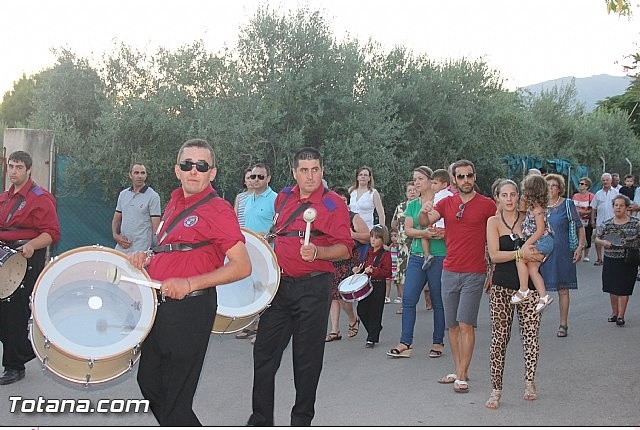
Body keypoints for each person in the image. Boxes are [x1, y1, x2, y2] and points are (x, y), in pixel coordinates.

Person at [127, 139, 251, 426]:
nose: (193, 170)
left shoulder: (219, 210)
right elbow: (171, 250)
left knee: (175, 396)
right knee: (150, 382)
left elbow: (242, 266)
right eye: (187, 165)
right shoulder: (172, 203)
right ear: (177, 170)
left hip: (190, 308)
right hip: (159, 305)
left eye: (201, 165)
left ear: (212, 173)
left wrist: (190, 283)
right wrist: (145, 258)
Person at [248, 147, 352, 427]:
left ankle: (301, 421)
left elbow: (345, 249)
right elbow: (279, 231)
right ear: (294, 172)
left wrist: (318, 252)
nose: (310, 176)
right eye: (304, 170)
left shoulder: (332, 204)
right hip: (280, 288)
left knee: (306, 362)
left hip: (313, 289)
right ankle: (260, 420)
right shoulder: (283, 197)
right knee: (264, 354)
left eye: (315, 169)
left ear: (322, 170)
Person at [418, 159, 496, 393]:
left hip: (475, 271)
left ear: (474, 176)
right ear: (453, 179)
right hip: (449, 269)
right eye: (460, 176)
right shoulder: (446, 203)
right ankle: (458, 368)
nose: (465, 180)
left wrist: (493, 269)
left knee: (465, 324)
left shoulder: (487, 205)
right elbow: (425, 222)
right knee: (451, 325)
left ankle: (462, 375)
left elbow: (499, 231)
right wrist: (424, 213)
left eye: (468, 175)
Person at [0, 150, 60, 385]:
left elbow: (52, 234)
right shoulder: (4, 197)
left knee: (14, 313)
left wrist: (32, 246)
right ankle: (24, 350)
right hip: (5, 256)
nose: (13, 171)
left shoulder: (40, 197)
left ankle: (14, 366)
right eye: (11, 166)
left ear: (29, 170)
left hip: (26, 258)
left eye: (18, 167)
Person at [485, 179, 545, 408]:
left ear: (519, 196)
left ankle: (530, 383)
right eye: (505, 195)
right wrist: (520, 254)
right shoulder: (493, 222)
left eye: (513, 194)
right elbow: (494, 255)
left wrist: (536, 256)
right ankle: (496, 390)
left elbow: (542, 249)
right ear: (497, 198)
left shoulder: (530, 217)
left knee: (531, 336)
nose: (509, 199)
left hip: (528, 286)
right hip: (501, 287)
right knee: (499, 339)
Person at [386, 166, 446, 359]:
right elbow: (409, 230)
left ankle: (438, 342)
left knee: (438, 300)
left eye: (420, 179)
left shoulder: (442, 201)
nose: (417, 183)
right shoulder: (413, 205)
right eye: (414, 179)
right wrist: (425, 234)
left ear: (430, 180)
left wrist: (437, 233)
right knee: (409, 299)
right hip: (417, 256)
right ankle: (405, 342)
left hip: (439, 256)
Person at [236, 163, 277, 342]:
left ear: (268, 178)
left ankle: (263, 330)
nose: (256, 180)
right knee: (252, 288)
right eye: (253, 177)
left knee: (265, 291)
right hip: (249, 252)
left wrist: (269, 235)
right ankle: (251, 324)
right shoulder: (248, 199)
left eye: (261, 177)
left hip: (267, 253)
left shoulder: (275, 198)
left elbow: (280, 226)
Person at [540, 174, 586, 337]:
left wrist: (580, 247)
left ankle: (563, 324)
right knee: (537, 290)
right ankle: (533, 325)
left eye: (554, 185)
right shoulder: (539, 206)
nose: (551, 188)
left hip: (563, 253)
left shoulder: (568, 204)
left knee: (563, 290)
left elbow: (580, 227)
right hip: (542, 255)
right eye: (548, 185)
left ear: (559, 189)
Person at [325, 186, 369, 342]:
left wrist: (353, 234)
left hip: (349, 260)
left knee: (343, 296)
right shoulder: (328, 217)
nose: (339, 202)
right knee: (333, 296)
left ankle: (352, 318)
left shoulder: (353, 217)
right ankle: (335, 330)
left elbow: (368, 237)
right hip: (332, 259)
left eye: (343, 200)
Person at [510, 174, 555, 313]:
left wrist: (526, 244)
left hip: (543, 240)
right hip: (541, 240)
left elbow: (540, 230)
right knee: (532, 269)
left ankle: (524, 289)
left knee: (520, 257)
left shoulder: (537, 209)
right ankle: (543, 296)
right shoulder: (532, 207)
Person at [595, 195, 640, 326]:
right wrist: (604, 242)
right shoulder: (607, 223)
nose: (618, 208)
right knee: (612, 287)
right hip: (611, 258)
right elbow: (597, 238)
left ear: (626, 207)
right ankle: (614, 313)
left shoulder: (635, 223)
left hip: (628, 259)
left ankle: (621, 315)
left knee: (624, 287)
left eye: (621, 205)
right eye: (616, 205)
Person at [353, 224, 392, 348]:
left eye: (376, 237)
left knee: (376, 312)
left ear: (382, 239)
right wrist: (358, 269)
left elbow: (388, 272)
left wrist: (374, 271)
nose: (373, 240)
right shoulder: (368, 252)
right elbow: (363, 266)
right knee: (361, 310)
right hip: (366, 285)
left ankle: (372, 338)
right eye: (371, 237)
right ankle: (374, 329)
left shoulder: (385, 254)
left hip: (378, 286)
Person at [112, 162, 162, 254]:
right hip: (122, 248)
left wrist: (153, 250)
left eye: (143, 173)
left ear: (146, 175)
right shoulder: (123, 194)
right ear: (130, 175)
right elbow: (116, 219)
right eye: (136, 173)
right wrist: (116, 236)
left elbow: (156, 227)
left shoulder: (153, 196)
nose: (140, 176)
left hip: (141, 251)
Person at [389, 181, 418, 306]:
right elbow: (393, 224)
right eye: (409, 190)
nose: (412, 192)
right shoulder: (400, 207)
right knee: (401, 274)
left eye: (414, 190)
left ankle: (428, 299)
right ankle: (403, 302)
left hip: (417, 242)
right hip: (403, 245)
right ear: (406, 193)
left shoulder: (422, 205)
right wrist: (401, 233)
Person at [421, 169, 453, 269]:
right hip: (447, 226)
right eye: (432, 183)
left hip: (438, 225)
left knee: (424, 234)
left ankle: (427, 255)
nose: (432, 186)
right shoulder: (451, 195)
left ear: (444, 184)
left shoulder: (439, 196)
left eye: (435, 183)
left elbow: (435, 212)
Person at [591, 173, 619, 266]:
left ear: (611, 181)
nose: (605, 182)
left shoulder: (616, 193)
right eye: (603, 180)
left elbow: (620, 206)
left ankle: (610, 258)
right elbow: (593, 207)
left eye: (607, 180)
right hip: (600, 221)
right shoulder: (598, 193)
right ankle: (599, 258)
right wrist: (592, 220)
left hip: (612, 221)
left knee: (611, 240)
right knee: (598, 240)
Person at [349, 165, 386, 231]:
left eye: (365, 175)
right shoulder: (351, 191)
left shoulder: (373, 193)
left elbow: (381, 213)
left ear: (369, 178)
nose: (363, 176)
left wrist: (382, 230)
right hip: (351, 228)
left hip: (367, 229)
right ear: (357, 178)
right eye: (360, 174)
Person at [572, 177, 595, 262]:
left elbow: (593, 209)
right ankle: (576, 253)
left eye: (582, 184)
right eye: (579, 183)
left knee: (587, 236)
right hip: (576, 220)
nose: (580, 185)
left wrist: (585, 213)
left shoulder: (591, 196)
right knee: (575, 237)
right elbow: (572, 206)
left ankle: (586, 254)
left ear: (587, 186)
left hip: (586, 220)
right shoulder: (575, 195)